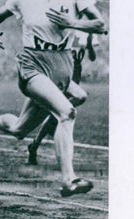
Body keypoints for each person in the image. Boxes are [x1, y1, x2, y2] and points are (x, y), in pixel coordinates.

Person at [0, 0, 107, 197]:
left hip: (63, 65)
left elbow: (100, 24)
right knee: (66, 112)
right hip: (33, 64)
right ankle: (68, 180)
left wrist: (72, 23)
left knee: (20, 130)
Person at [27, 28, 99, 165]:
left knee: (59, 114)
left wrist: (89, 45)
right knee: (57, 113)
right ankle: (37, 145)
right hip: (57, 70)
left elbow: (93, 57)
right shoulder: (64, 22)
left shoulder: (87, 28)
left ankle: (35, 145)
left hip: (74, 74)